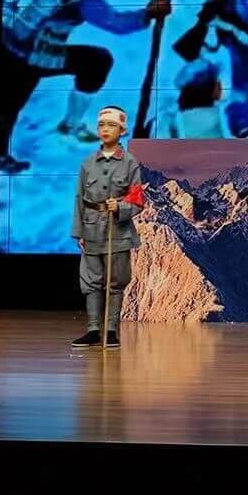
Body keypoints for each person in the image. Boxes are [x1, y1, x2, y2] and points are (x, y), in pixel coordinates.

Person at [0, 0, 170, 172]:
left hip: (5, 41)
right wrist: (148, 14)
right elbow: (116, 23)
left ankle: (69, 125)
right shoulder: (83, 0)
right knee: (8, 105)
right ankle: (6, 153)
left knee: (95, 60)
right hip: (29, 57)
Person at [69, 105, 145, 349]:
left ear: (122, 131)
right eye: (102, 125)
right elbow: (79, 198)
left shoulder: (130, 163)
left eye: (111, 125)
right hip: (91, 228)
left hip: (118, 231)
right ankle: (93, 330)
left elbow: (137, 199)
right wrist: (78, 231)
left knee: (115, 282)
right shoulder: (87, 164)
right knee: (91, 281)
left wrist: (120, 207)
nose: (105, 130)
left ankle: (111, 331)